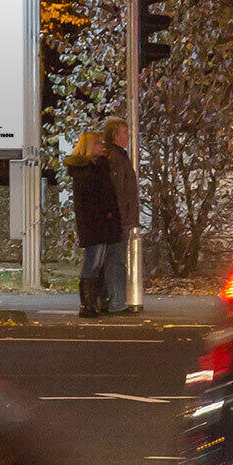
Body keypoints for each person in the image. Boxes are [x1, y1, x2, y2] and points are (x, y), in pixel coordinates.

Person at [65, 130, 123, 319]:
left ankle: (92, 302)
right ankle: (87, 304)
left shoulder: (96, 168)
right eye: (98, 144)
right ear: (90, 147)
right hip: (94, 223)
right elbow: (93, 198)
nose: (102, 147)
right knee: (93, 262)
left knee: (97, 263)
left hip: (100, 223)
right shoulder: (85, 172)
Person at [103, 116, 139, 314]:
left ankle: (114, 300)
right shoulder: (116, 158)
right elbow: (117, 190)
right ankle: (116, 302)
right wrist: (119, 216)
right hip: (119, 219)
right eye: (125, 132)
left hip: (120, 217)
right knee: (116, 261)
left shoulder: (117, 156)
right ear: (115, 135)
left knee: (115, 260)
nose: (128, 136)